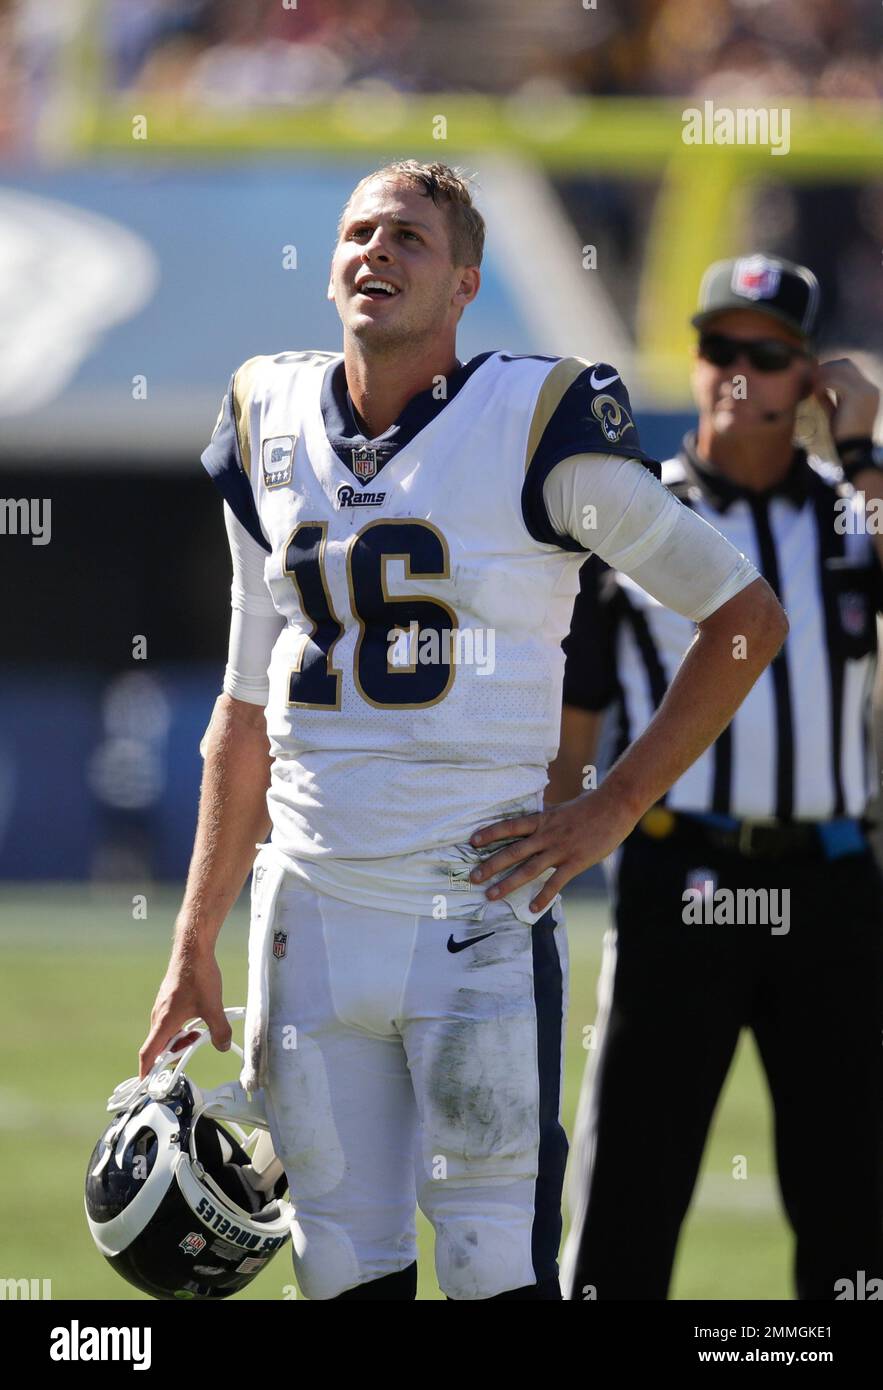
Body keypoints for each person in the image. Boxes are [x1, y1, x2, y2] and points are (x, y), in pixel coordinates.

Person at [139, 165, 786, 1300]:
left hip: (472, 913)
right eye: (356, 232)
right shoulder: (266, 417)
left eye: (409, 238)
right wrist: (193, 935)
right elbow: (242, 711)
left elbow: (743, 617)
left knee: (494, 1269)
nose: (374, 252)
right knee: (338, 1264)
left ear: (465, 284)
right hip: (309, 918)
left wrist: (612, 806)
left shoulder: (535, 420)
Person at [554, 254, 883, 1302]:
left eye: (767, 353)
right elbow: (571, 727)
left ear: (809, 377)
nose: (735, 372)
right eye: (716, 347)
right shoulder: (635, 515)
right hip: (679, 879)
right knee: (627, 1207)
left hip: (830, 887)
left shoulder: (847, 513)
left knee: (855, 1211)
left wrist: (868, 449)